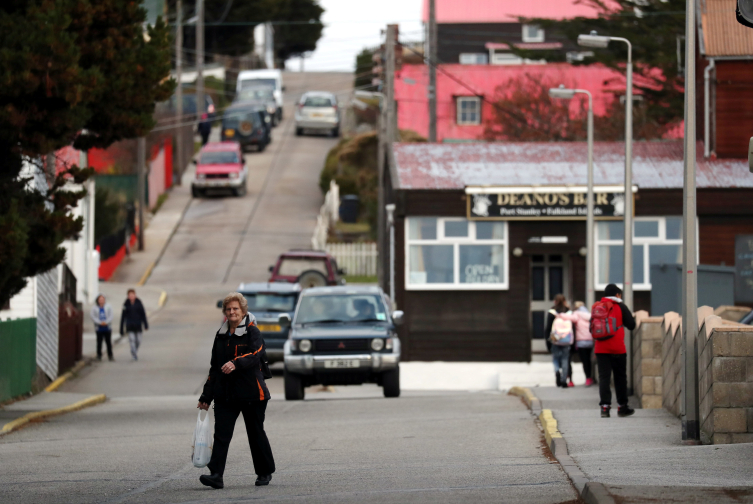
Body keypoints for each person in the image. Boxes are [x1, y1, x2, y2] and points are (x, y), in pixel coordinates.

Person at [197, 292, 275, 490]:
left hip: (252, 393)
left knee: (255, 433)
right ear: (225, 312)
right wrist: (206, 395)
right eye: (229, 309)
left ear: (243, 311)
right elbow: (214, 367)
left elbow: (256, 354)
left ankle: (264, 472)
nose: (232, 312)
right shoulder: (220, 335)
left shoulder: (252, 331)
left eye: (236, 309)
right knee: (221, 435)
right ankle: (216, 475)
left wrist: (235, 363)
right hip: (226, 394)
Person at [592, 284, 636, 418]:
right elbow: (631, 325)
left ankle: (604, 408)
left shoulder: (597, 307)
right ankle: (622, 407)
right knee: (620, 377)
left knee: (604, 377)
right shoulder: (620, 306)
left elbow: (592, 327)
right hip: (617, 348)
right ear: (617, 295)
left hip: (601, 348)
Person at [560, 301, 594, 386]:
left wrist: (559, 315)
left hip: (581, 341)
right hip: (590, 341)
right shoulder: (588, 314)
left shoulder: (577, 314)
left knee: (584, 361)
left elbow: (570, 318)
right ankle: (589, 377)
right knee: (589, 360)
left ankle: (588, 379)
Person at [545, 294, 573, 388]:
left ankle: (557, 372)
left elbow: (548, 328)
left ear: (555, 301)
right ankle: (564, 380)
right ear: (565, 301)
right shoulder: (568, 312)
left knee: (556, 358)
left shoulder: (552, 312)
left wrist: (547, 341)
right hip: (567, 339)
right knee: (565, 359)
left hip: (555, 340)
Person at [120, 289, 148, 361]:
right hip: (130, 326)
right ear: (128, 296)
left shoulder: (139, 303)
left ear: (135, 295)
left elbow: (143, 314)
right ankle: (134, 354)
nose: (132, 296)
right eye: (130, 295)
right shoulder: (126, 304)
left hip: (138, 325)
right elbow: (123, 317)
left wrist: (145, 324)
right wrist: (121, 328)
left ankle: (134, 350)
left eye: (133, 295)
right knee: (132, 340)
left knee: (138, 340)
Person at [90, 294, 114, 361]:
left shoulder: (108, 307)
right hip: (99, 328)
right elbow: (92, 316)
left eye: (102, 299)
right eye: (100, 299)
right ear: (98, 300)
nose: (101, 301)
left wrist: (106, 322)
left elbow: (111, 315)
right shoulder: (94, 308)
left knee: (108, 342)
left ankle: (110, 355)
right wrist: (100, 322)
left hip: (107, 327)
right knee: (99, 342)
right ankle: (99, 355)